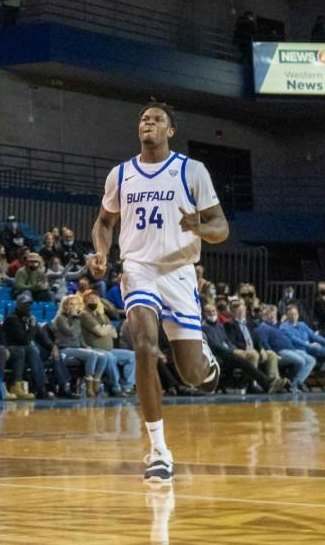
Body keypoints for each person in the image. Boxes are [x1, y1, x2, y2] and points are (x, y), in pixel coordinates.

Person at [87, 102, 227, 483]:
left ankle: (205, 361)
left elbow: (221, 227)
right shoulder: (121, 174)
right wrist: (101, 253)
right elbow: (103, 223)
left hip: (179, 271)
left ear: (170, 131)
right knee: (144, 346)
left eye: (157, 119)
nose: (148, 122)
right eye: (143, 119)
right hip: (138, 269)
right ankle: (159, 451)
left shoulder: (191, 171)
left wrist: (199, 225)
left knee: (192, 375)